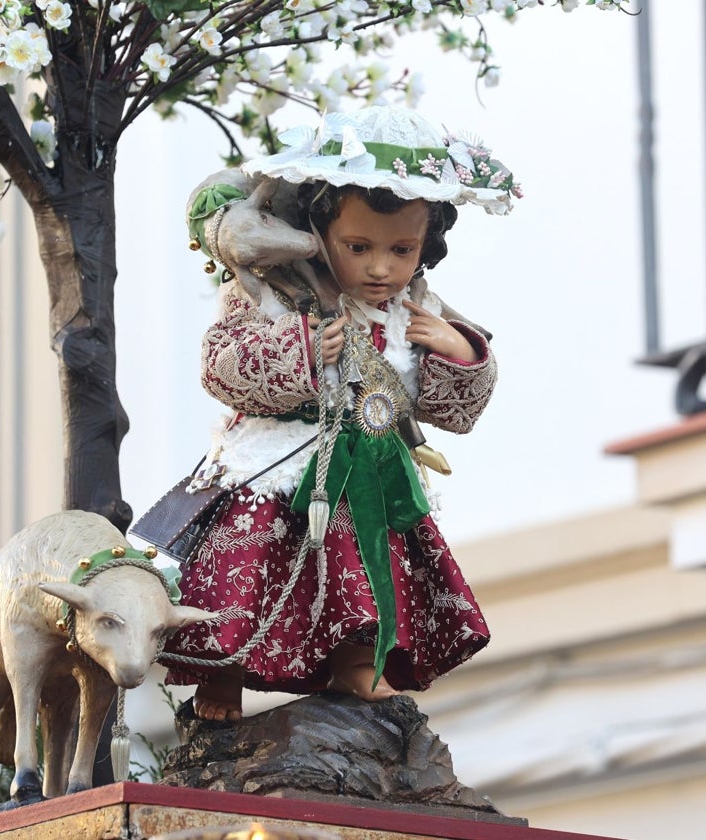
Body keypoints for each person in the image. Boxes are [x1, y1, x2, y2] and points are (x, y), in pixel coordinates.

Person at [163, 107, 518, 722]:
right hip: (279, 460)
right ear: (319, 233)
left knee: (372, 566)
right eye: (359, 248)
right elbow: (219, 364)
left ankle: (357, 659)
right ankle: (221, 678)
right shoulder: (272, 291)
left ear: (425, 246)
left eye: (401, 249)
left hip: (374, 466)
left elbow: (453, 411)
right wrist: (297, 348)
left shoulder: (417, 311)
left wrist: (460, 353)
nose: (381, 268)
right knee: (247, 570)